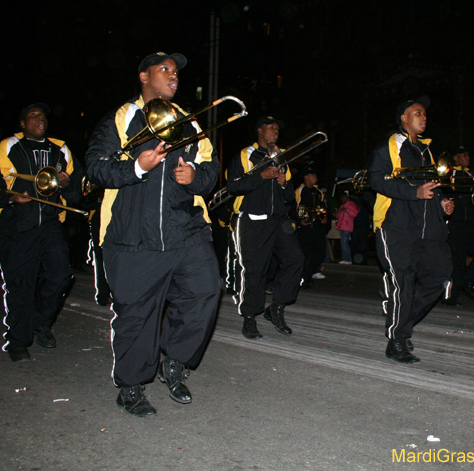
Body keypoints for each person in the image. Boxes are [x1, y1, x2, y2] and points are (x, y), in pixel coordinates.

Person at [85, 52, 222, 417]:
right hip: (133, 235)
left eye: (176, 72)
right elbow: (96, 168)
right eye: (165, 70)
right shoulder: (121, 117)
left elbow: (211, 169)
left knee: (206, 289)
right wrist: (135, 167)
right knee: (137, 315)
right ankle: (130, 386)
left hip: (185, 230)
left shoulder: (189, 123)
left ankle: (174, 361)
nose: (173, 76)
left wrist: (197, 179)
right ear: (144, 75)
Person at [0, 103, 82, 362]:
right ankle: (17, 341)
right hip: (16, 226)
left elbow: (78, 189)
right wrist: (12, 198)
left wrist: (69, 184)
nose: (40, 118)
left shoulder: (60, 148)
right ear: (23, 124)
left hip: (49, 224)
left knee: (61, 276)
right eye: (33, 116)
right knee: (20, 286)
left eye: (43, 115)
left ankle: (39, 322)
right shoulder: (8, 146)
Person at [368, 95, 454, 364]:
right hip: (396, 226)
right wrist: (413, 192)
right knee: (403, 283)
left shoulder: (426, 151)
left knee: (440, 277)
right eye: (417, 113)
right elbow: (377, 181)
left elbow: (431, 187)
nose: (423, 116)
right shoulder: (389, 147)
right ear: (404, 118)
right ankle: (396, 340)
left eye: (425, 113)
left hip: (428, 227)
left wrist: (442, 202)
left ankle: (402, 322)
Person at [226, 116, 304, 340]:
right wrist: (261, 175)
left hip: (278, 220)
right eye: (272, 127)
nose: (276, 131)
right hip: (253, 219)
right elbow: (233, 186)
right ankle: (249, 318)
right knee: (254, 270)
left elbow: (289, 196)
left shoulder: (280, 157)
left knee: (295, 260)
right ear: (260, 130)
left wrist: (283, 184)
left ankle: (276, 307)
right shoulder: (245, 155)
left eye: (278, 128)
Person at [443, 145, 474, 306]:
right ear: (455, 158)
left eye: (468, 154)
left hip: (469, 222)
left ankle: (466, 283)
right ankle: (451, 296)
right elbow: (447, 193)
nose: (467, 157)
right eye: (463, 155)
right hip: (455, 223)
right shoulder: (450, 173)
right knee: (458, 260)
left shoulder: (471, 174)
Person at [296, 166, 329, 287]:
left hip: (316, 228)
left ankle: (307, 274)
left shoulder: (318, 192)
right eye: (313, 175)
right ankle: (303, 278)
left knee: (320, 252)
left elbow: (321, 207)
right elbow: (293, 208)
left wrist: (323, 216)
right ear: (307, 177)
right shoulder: (299, 191)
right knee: (305, 254)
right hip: (304, 228)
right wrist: (299, 222)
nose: (315, 177)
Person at [334, 190, 359, 264]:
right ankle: (345, 258)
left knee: (345, 243)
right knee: (343, 243)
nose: (342, 199)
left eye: (343, 197)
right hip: (342, 226)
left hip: (347, 227)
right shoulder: (343, 206)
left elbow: (354, 214)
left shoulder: (351, 205)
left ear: (347, 197)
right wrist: (336, 213)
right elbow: (339, 216)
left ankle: (348, 259)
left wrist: (346, 209)